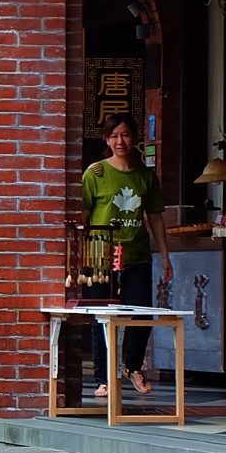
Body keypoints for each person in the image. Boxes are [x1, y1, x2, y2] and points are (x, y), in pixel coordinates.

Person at [82, 116, 173, 397]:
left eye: (125, 135)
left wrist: (165, 255)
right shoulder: (95, 174)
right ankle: (104, 378)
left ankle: (133, 367)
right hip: (100, 256)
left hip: (137, 253)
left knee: (141, 313)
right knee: (102, 316)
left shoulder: (146, 176)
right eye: (114, 136)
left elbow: (155, 217)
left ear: (134, 138)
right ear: (107, 140)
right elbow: (84, 216)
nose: (120, 141)